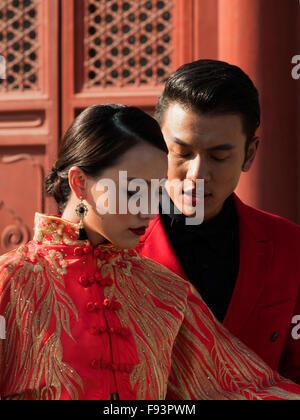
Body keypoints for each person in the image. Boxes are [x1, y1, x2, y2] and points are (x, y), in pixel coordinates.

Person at [1, 104, 300, 400]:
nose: (149, 209)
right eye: (133, 191)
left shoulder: (166, 293)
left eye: (158, 192)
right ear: (80, 183)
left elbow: (243, 388)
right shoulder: (11, 283)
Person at [136, 59, 300, 384]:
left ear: (250, 154)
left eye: (219, 157)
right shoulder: (111, 245)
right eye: (181, 154)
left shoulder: (289, 246)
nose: (197, 175)